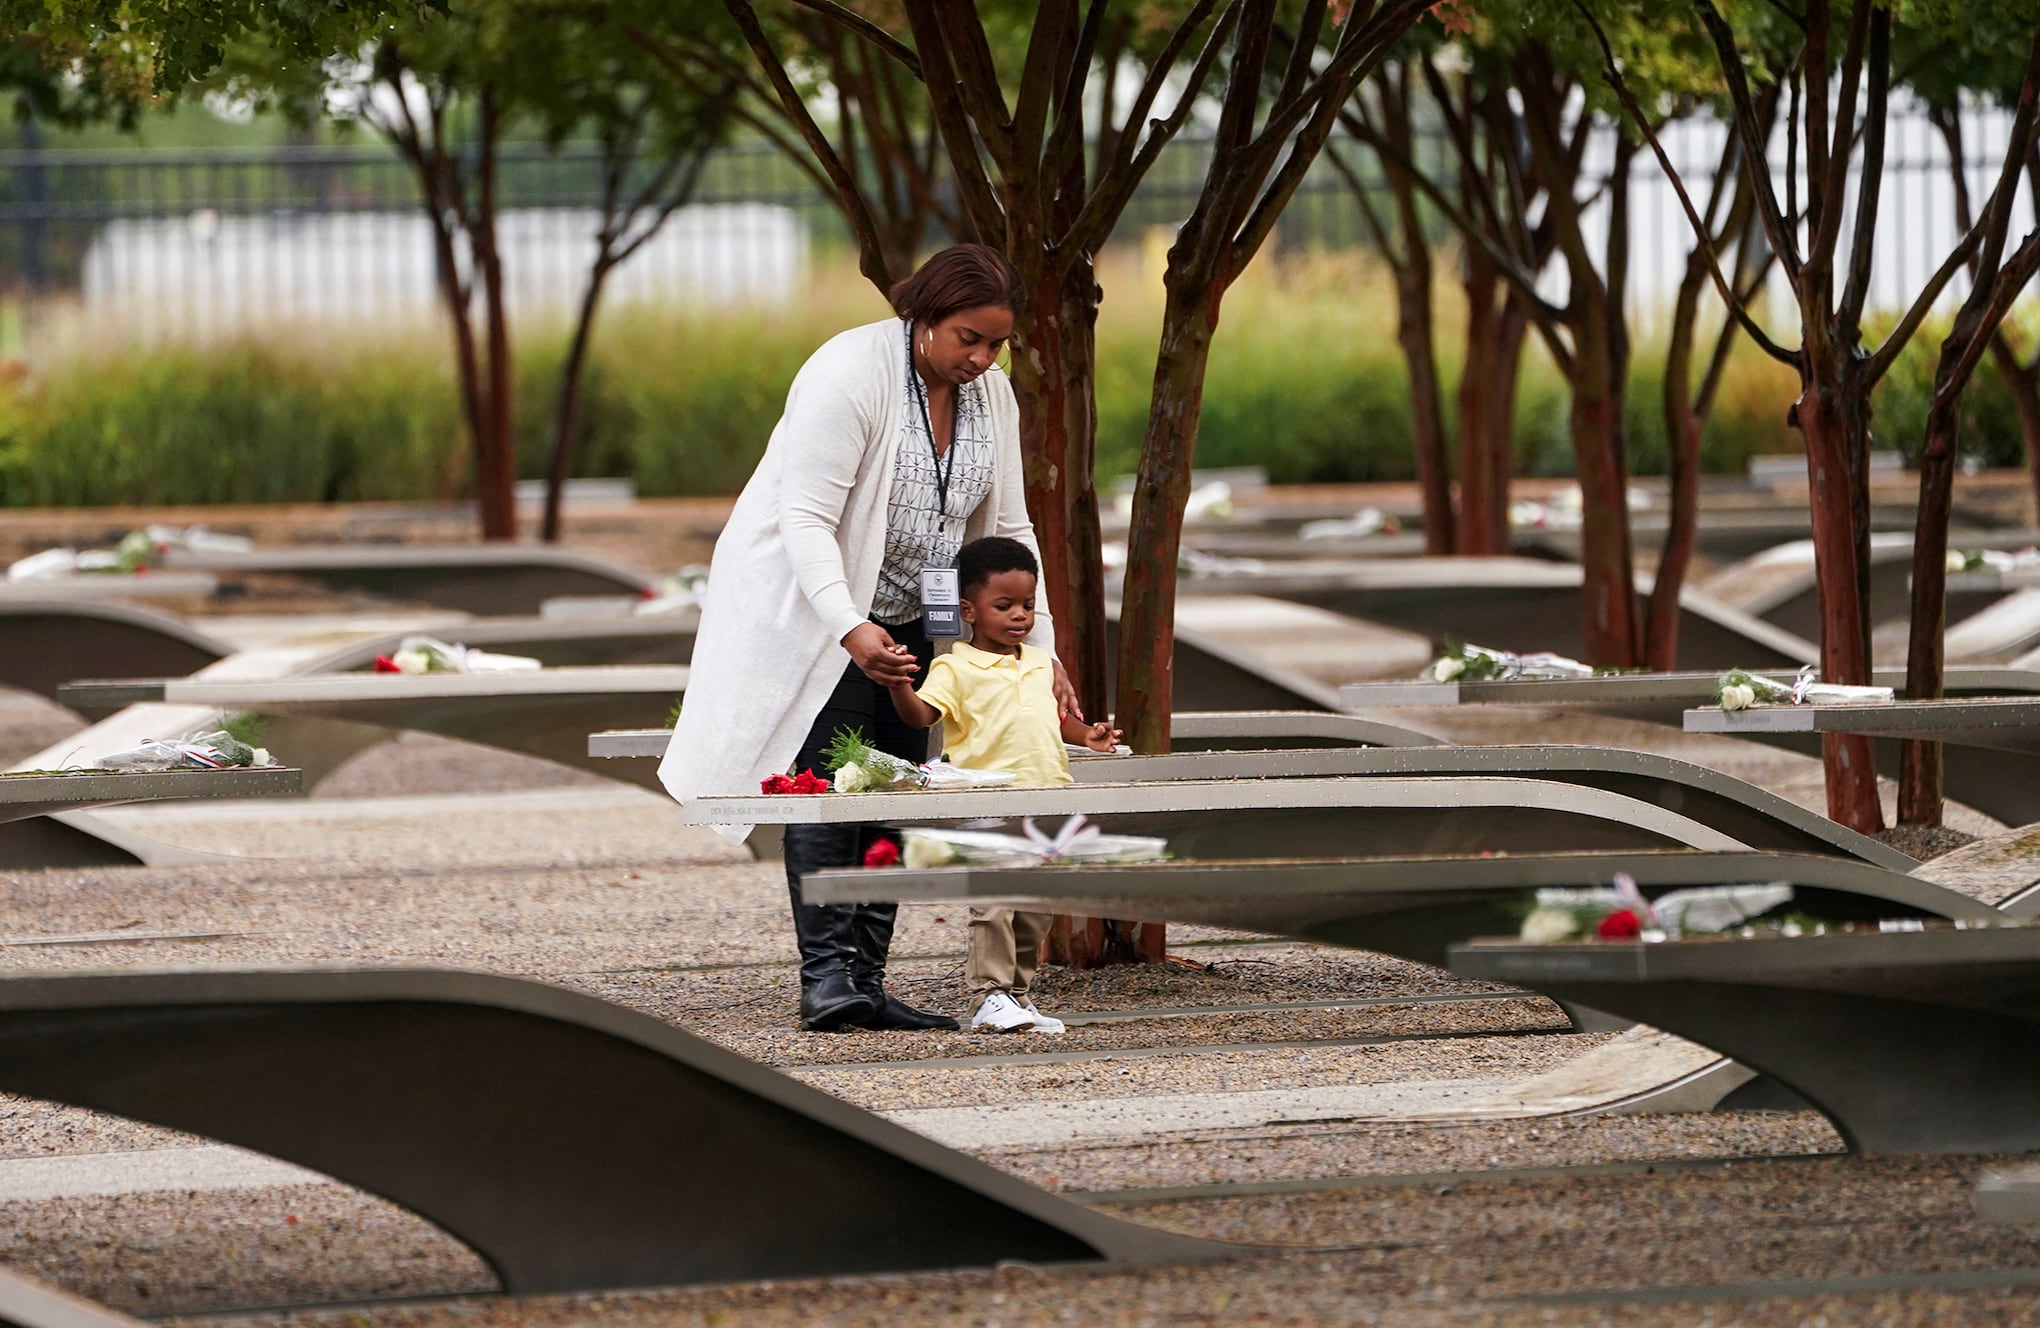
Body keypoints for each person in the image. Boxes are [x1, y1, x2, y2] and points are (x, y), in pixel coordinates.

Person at [659, 244, 1082, 1034]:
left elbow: (1011, 528)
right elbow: (806, 520)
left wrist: (1041, 649)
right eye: (968, 339)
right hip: (821, 607)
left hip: (922, 613)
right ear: (923, 318)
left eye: (996, 344)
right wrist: (852, 629)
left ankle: (868, 981)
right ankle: (827, 983)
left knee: (899, 782)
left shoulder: (992, 396)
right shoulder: (848, 374)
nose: (983, 359)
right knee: (830, 785)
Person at [884, 536, 1122, 1034]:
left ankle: (1018, 995)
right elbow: (921, 717)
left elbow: (1056, 722)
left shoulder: (1039, 662)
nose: (1020, 616)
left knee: (1037, 905)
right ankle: (989, 995)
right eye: (1004, 605)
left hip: (1048, 796)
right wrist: (899, 683)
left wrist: (1090, 736)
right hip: (987, 801)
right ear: (969, 610)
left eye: (1028, 605)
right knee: (993, 902)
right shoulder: (953, 666)